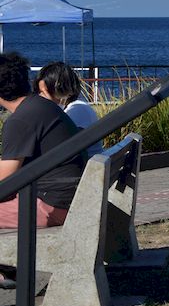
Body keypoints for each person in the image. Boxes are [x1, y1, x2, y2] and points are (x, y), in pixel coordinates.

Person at [0, 52, 83, 229]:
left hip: (52, 205)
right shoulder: (41, 107)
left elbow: (5, 178)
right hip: (67, 198)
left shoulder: (20, 120)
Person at [34, 62, 102, 158]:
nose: (41, 96)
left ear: (61, 88)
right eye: (40, 92)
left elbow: (58, 147)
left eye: (45, 92)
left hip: (83, 169)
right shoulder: (78, 107)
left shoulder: (77, 110)